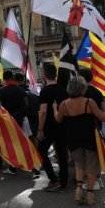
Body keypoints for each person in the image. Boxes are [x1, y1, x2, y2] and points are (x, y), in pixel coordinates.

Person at [54, 76, 105, 206]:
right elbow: (103, 118)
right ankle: (90, 194)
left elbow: (58, 120)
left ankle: (78, 190)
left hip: (72, 137)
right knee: (91, 165)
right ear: (83, 88)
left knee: (78, 164)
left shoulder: (64, 104)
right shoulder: (89, 101)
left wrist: (55, 109)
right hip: (89, 136)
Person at [36, 63, 69, 192]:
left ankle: (53, 179)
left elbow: (43, 112)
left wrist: (40, 129)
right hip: (62, 125)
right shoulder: (63, 89)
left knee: (41, 150)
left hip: (49, 127)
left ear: (44, 74)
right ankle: (63, 181)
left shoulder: (44, 91)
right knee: (62, 154)